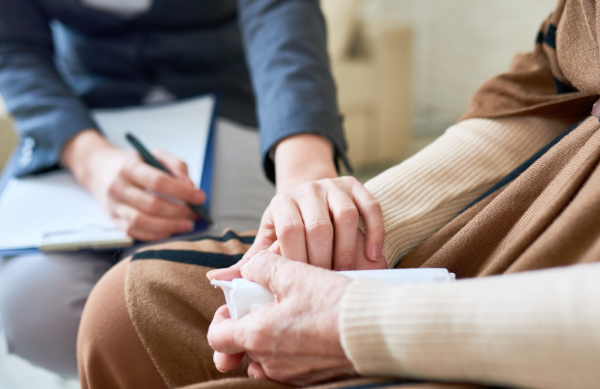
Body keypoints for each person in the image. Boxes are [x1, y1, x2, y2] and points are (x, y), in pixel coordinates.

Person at [76, 0, 600, 387]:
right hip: (541, 194)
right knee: (123, 312)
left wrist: (363, 324)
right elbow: (546, 86)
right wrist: (357, 227)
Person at [0, 0, 385, 378]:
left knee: (207, 301)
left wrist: (304, 168)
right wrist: (92, 161)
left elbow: (280, 13)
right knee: (36, 312)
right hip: (81, 120)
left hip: (229, 102)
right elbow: (13, 47)